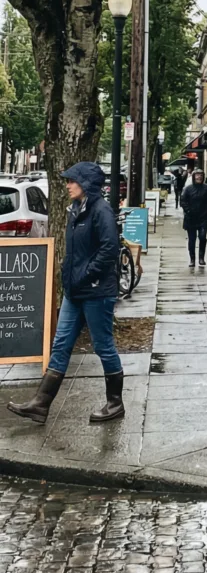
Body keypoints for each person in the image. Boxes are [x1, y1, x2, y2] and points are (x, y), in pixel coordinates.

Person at [8, 162, 124, 425]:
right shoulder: (75, 210)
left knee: (103, 346)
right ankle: (40, 404)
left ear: (86, 184)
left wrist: (85, 275)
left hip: (95, 292)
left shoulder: (100, 211)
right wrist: (68, 274)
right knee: (60, 345)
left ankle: (115, 402)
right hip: (75, 292)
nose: (68, 185)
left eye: (72, 181)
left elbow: (109, 249)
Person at [180, 168, 207, 268]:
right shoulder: (188, 189)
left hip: (203, 217)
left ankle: (201, 258)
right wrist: (188, 211)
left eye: (201, 175)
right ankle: (192, 259)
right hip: (190, 218)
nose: (199, 177)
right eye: (197, 175)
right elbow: (182, 201)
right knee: (192, 239)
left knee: (203, 237)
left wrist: (206, 210)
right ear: (193, 176)